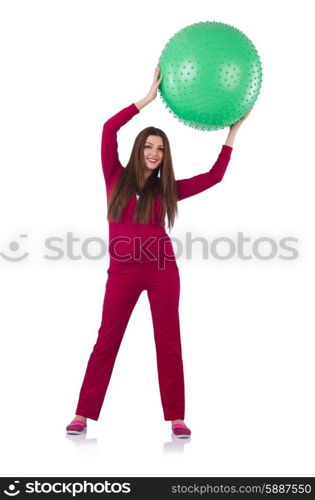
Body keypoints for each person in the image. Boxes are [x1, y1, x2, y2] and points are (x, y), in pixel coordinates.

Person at [66, 66, 252, 438]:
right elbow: (108, 129)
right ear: (139, 150)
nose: (154, 153)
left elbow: (214, 177)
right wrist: (147, 100)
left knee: (168, 339)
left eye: (161, 149)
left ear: (165, 157)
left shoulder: (167, 190)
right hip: (122, 274)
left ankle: (176, 417)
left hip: (162, 270)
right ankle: (82, 414)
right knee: (108, 338)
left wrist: (233, 133)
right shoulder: (114, 176)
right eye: (149, 146)